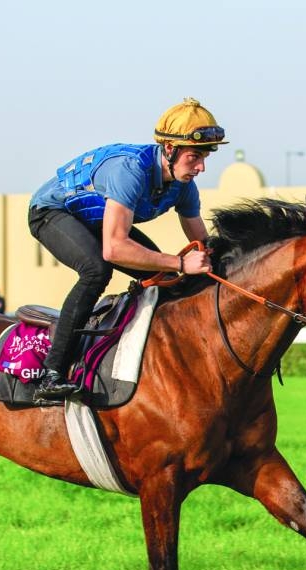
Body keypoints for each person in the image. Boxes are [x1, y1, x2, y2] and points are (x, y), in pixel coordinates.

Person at [27, 97, 222, 401]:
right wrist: (181, 263)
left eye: (206, 157)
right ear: (169, 149)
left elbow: (204, 246)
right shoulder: (130, 172)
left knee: (164, 277)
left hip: (96, 220)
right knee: (96, 269)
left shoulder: (184, 186)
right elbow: (114, 249)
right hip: (52, 212)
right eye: (194, 157)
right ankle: (51, 373)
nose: (201, 167)